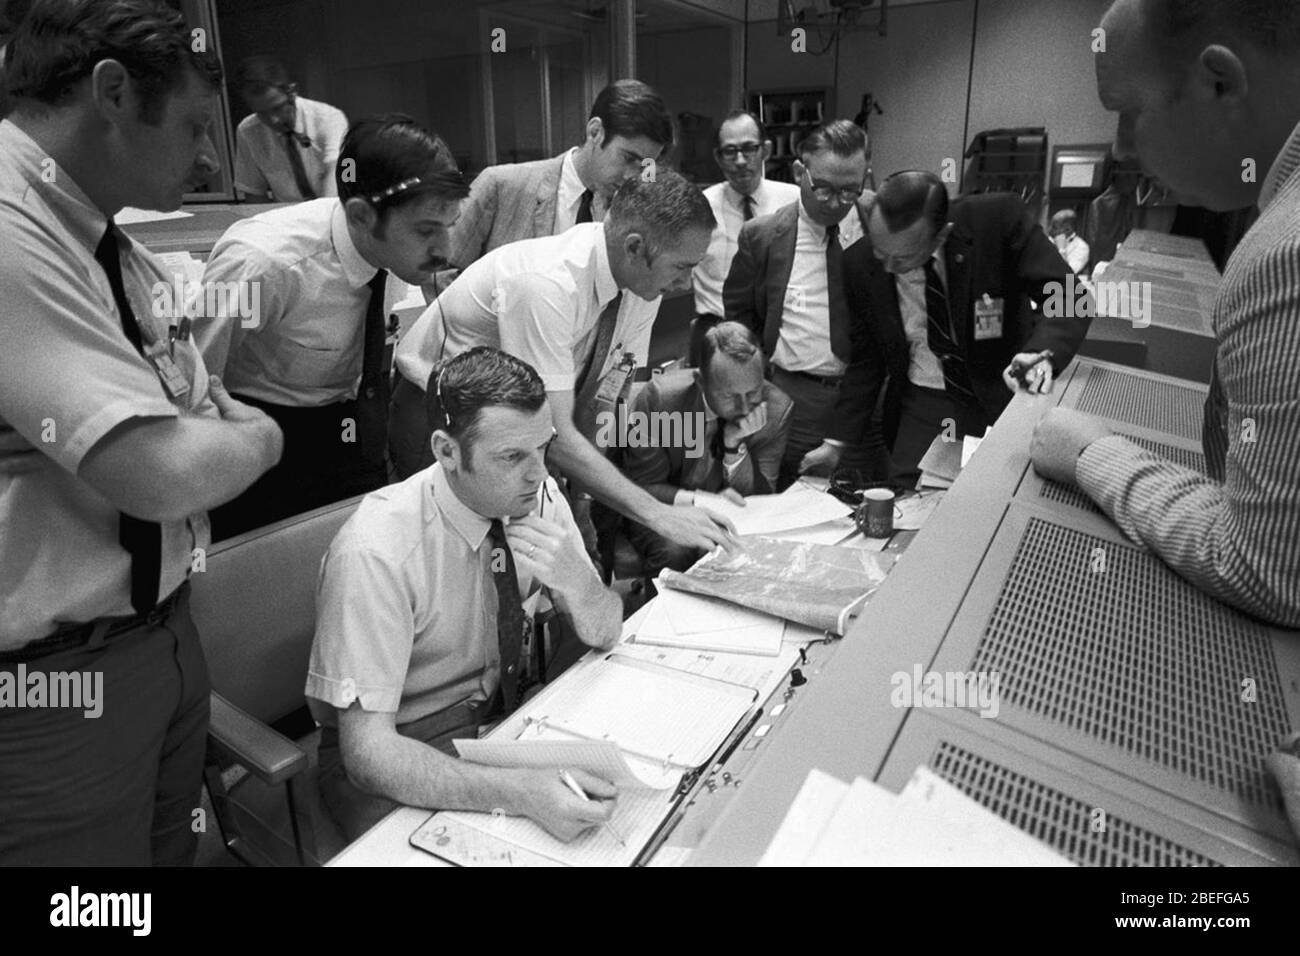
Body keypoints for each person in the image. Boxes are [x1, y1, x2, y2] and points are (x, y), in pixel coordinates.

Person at [0, 0, 282, 865]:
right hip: (55, 675)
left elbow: (193, 407)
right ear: (112, 92)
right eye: (198, 126)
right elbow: (160, 468)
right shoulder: (13, 232)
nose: (209, 155)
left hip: (157, 626)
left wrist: (199, 438)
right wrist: (265, 443)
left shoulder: (111, 247)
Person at [1030, 0, 1300, 630]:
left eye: (1129, 112)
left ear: (1219, 82)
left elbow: (1268, 567)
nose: (1121, 147)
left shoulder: (1282, 254)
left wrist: (1090, 451)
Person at [308, 347, 623, 841]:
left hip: (502, 717)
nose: (540, 472)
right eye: (512, 457)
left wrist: (581, 585)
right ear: (447, 451)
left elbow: (607, 630)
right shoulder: (376, 552)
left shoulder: (535, 495)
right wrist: (519, 792)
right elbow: (368, 756)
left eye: (544, 448)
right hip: (404, 744)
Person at [390, 169, 735, 557]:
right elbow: (551, 433)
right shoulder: (544, 284)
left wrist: (589, 496)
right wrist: (657, 513)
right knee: (464, 556)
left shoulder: (641, 288)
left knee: (555, 547)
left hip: (519, 427)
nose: (688, 282)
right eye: (682, 267)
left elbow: (612, 397)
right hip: (438, 416)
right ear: (635, 247)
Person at [197, 114, 468, 541]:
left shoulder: (396, 249)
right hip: (271, 443)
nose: (446, 249)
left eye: (450, 226)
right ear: (361, 216)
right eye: (427, 231)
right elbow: (195, 384)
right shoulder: (264, 266)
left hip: (358, 424)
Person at [805, 170, 1087, 485]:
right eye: (880, 252)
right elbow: (867, 359)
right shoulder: (858, 262)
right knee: (909, 495)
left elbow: (1069, 298)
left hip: (1001, 390)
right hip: (924, 401)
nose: (887, 268)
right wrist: (836, 441)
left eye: (903, 259)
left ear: (942, 235)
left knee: (998, 491)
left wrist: (1041, 353)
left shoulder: (995, 221)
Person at [723, 119, 877, 488]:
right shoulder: (762, 237)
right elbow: (741, 320)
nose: (835, 202)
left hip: (872, 402)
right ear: (798, 172)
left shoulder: (880, 217)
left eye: (849, 191)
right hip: (797, 399)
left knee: (874, 503)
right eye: (822, 187)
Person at [621, 322, 793, 576]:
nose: (745, 407)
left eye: (754, 392)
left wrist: (735, 448)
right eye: (729, 396)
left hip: (734, 518)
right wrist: (703, 501)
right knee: (676, 550)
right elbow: (642, 486)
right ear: (701, 381)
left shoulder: (777, 409)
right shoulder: (659, 399)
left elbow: (758, 497)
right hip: (664, 509)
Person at [448, 79, 672, 272]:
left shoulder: (625, 213)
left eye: (643, 166)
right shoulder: (501, 186)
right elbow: (441, 272)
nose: (631, 176)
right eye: (628, 158)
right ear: (595, 132)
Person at [689, 109, 800, 365]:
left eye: (749, 148)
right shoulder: (699, 207)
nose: (740, 160)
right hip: (714, 332)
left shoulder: (793, 202)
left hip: (775, 332)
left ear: (766, 150)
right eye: (730, 151)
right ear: (718, 157)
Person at [231, 55, 348, 203]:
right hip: (287, 218)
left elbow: (338, 175)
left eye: (277, 108)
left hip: (331, 209)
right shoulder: (247, 131)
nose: (274, 119)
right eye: (262, 113)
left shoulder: (329, 118)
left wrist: (322, 221)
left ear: (292, 92)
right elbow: (254, 193)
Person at [1048, 209, 1091, 275]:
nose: (1049, 229)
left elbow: (1068, 273)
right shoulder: (1049, 240)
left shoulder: (1081, 247)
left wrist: (1061, 250)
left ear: (1068, 229)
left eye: (1054, 227)